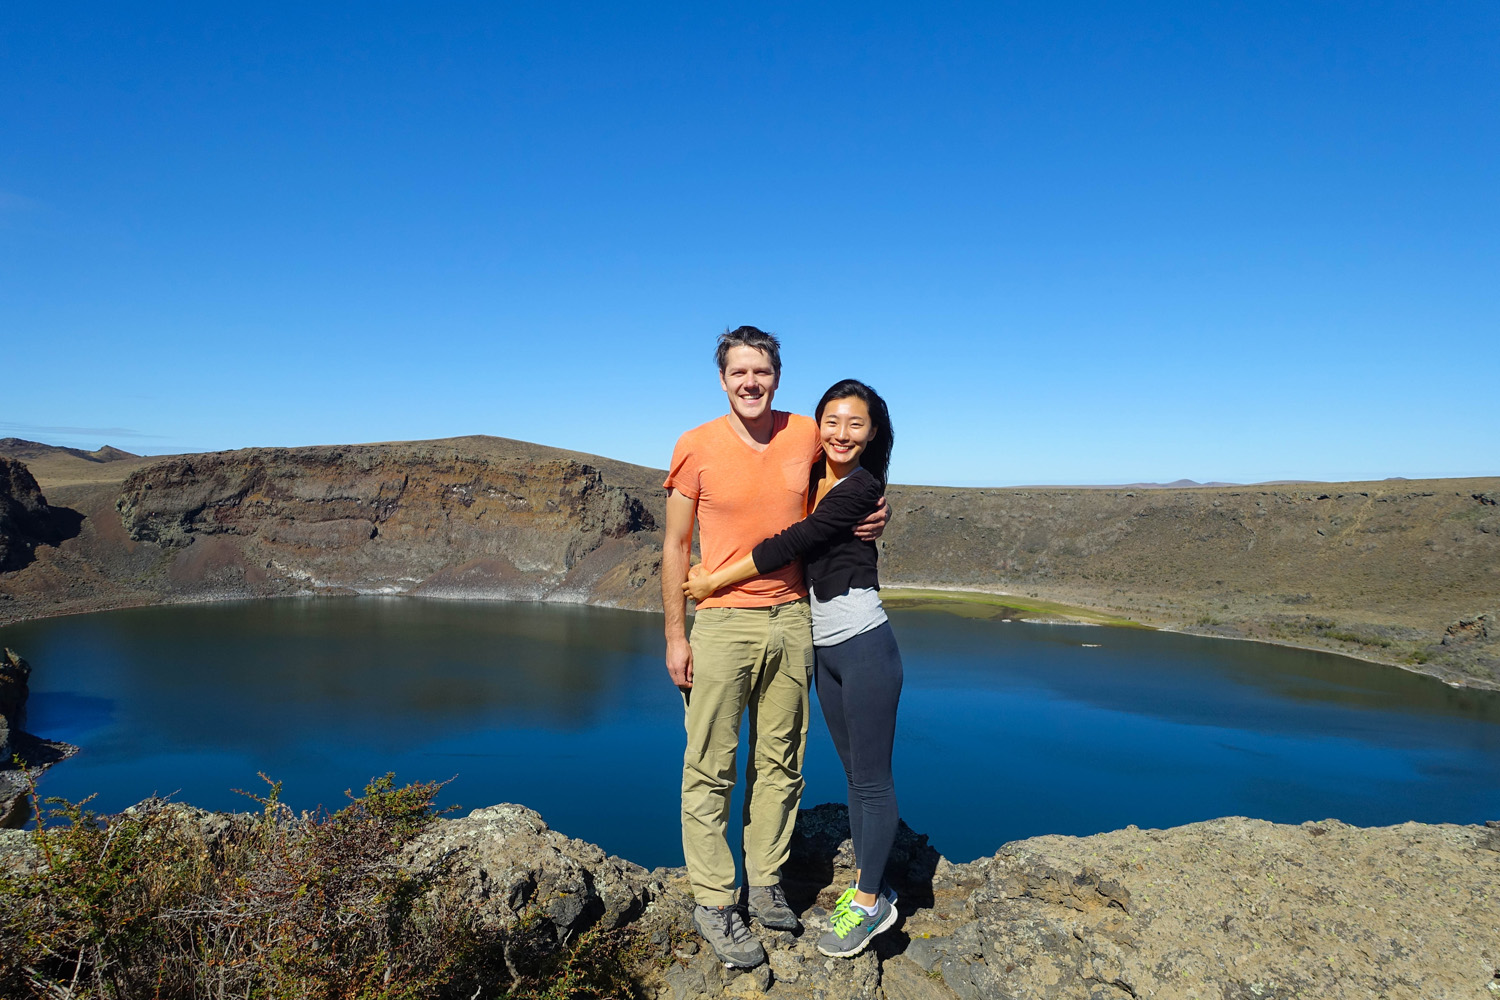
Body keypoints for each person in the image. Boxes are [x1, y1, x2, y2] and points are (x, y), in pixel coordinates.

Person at [661, 328, 888, 969]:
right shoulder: (695, 445)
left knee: (781, 762)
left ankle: (765, 882)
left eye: (761, 371)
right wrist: (676, 635)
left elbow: (850, 473)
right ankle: (714, 900)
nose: (750, 383)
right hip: (722, 623)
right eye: (739, 372)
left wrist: (879, 507)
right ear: (722, 379)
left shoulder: (805, 433)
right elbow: (675, 546)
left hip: (792, 619)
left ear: (777, 377)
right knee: (710, 766)